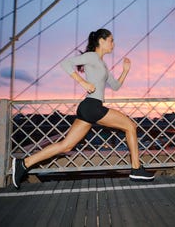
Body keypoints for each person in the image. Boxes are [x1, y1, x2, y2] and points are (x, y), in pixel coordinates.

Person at [12, 28, 154, 189]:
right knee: (130, 126)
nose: (113, 44)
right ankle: (136, 169)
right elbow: (65, 64)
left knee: (66, 146)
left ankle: (23, 164)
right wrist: (83, 82)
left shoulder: (102, 64)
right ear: (101, 41)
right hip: (92, 106)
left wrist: (125, 71)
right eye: (111, 40)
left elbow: (115, 86)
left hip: (89, 108)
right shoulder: (92, 56)